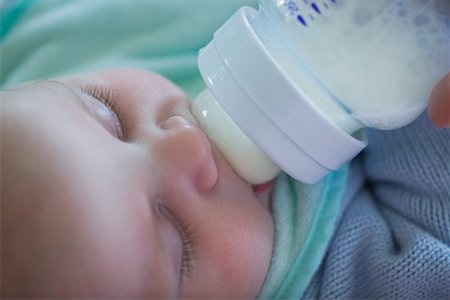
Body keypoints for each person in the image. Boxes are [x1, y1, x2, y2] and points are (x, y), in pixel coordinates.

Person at [1, 0, 449, 299]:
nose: (185, 143)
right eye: (176, 232)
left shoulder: (36, 55)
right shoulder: (356, 274)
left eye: (111, 116)